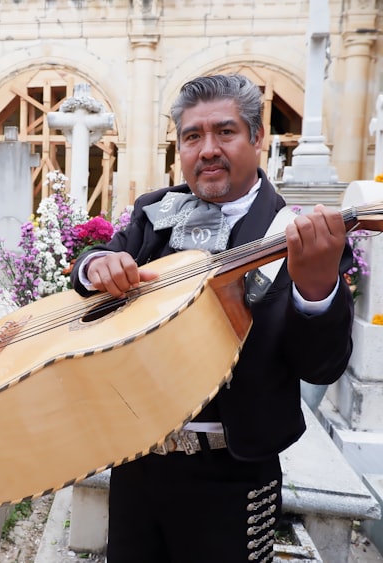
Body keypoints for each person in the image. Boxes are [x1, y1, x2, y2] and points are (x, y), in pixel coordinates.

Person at [70, 73, 354, 562]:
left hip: (234, 473)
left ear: (257, 138)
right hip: (137, 463)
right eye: (192, 136)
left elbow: (321, 367)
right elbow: (90, 271)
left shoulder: (298, 234)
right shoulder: (154, 212)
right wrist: (96, 265)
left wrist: (315, 287)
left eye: (225, 132)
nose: (207, 149)